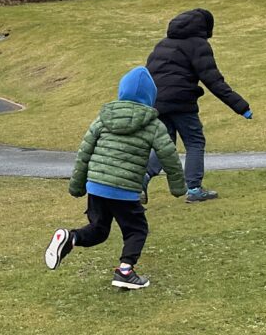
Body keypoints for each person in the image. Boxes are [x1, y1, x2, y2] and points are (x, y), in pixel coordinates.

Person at [45, 67, 185, 290]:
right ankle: (125, 271)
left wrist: (77, 186)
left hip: (97, 186)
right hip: (124, 190)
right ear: (151, 97)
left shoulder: (102, 119)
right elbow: (169, 156)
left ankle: (70, 238)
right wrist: (178, 187)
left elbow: (84, 153)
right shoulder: (154, 125)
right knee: (137, 230)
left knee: (99, 230)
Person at [144, 8, 251, 202]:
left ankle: (140, 181)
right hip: (181, 101)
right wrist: (241, 106)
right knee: (194, 142)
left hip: (156, 101)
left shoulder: (162, 44)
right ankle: (194, 189)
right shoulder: (198, 45)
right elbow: (213, 80)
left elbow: (148, 74)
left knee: (164, 145)